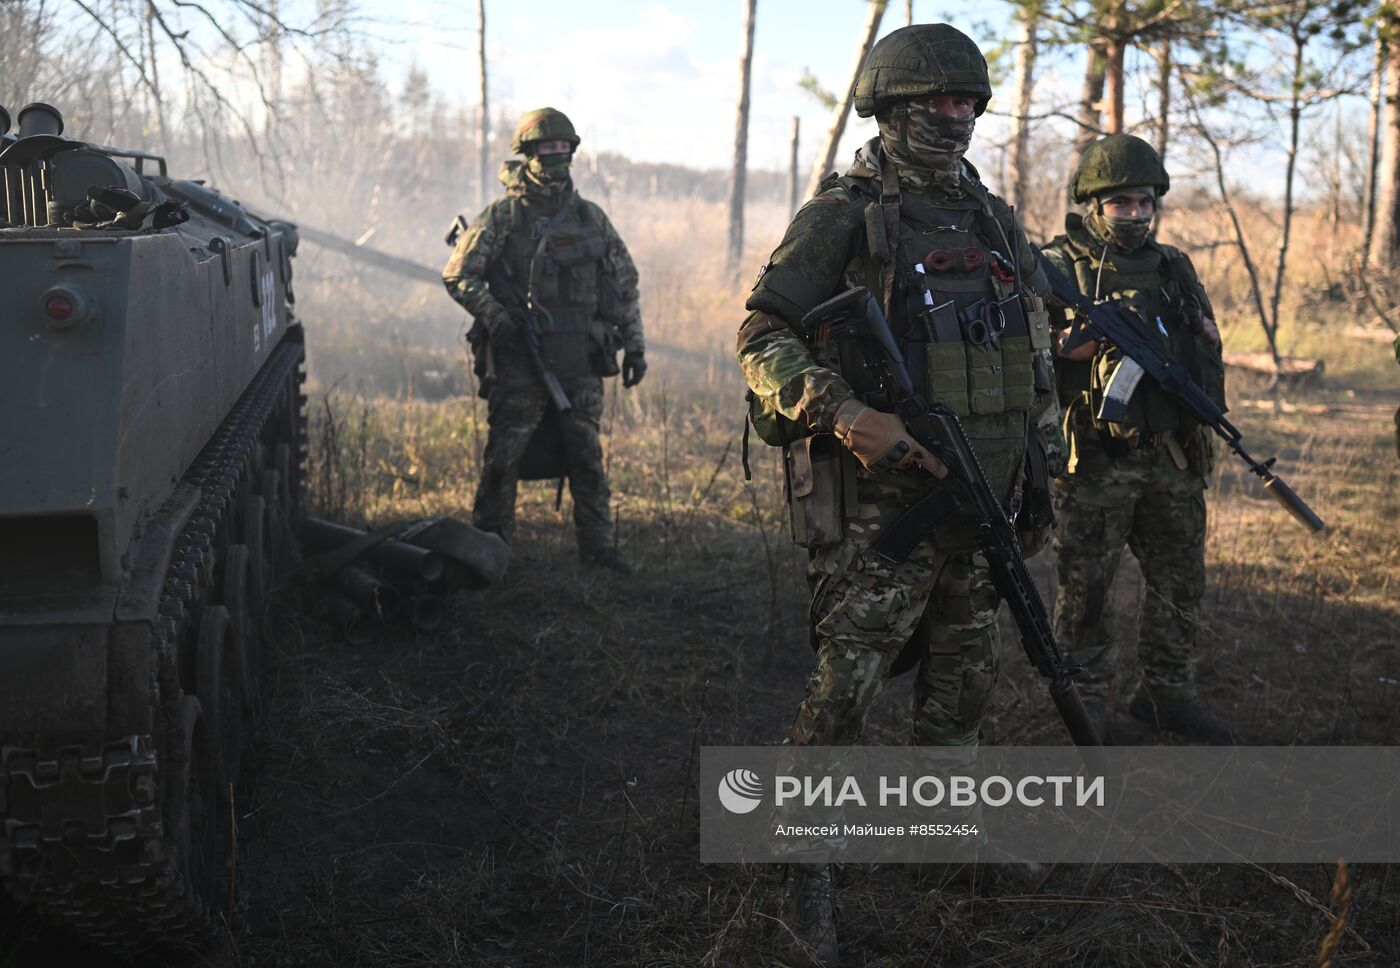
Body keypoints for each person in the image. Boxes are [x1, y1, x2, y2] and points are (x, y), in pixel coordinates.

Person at [736, 24, 1061, 967]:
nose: (955, 119)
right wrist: (841, 412)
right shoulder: (844, 215)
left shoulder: (993, 218)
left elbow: (1030, 349)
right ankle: (800, 877)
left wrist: (1037, 472)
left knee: (963, 686)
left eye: (968, 104)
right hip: (887, 514)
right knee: (844, 696)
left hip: (983, 502)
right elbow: (761, 336)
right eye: (937, 104)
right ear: (891, 107)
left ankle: (944, 845)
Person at [1039, 134, 1232, 742]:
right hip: (1095, 463)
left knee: (1181, 583)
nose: (1137, 215)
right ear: (1093, 205)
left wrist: (1201, 335)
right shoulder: (1056, 266)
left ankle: (1166, 693)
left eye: (1146, 202)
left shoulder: (1174, 265)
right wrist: (1068, 349)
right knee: (1085, 593)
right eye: (1121, 203)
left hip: (1171, 457)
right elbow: (1016, 357)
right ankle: (1084, 712)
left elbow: (1196, 343)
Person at [443, 107, 646, 573]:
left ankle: (599, 550)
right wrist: (497, 317)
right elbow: (458, 274)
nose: (555, 157)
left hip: (581, 362)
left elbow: (625, 286)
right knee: (503, 459)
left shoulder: (591, 218)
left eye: (562, 149)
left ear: (572, 152)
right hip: (520, 362)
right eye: (545, 149)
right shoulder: (504, 216)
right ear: (528, 154)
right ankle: (488, 552)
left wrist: (635, 347)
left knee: (588, 459)